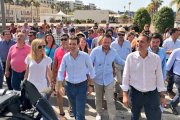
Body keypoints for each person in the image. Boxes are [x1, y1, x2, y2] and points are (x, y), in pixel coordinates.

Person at [121, 33, 166, 120]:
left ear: (148, 44)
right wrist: (125, 95)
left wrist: (162, 96)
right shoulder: (130, 57)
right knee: (135, 117)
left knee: (155, 117)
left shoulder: (156, 58)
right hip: (135, 94)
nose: (138, 44)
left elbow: (159, 78)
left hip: (152, 95)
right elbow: (125, 76)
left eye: (142, 42)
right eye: (138, 41)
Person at [57, 36, 95, 120]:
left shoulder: (85, 56)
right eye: (70, 44)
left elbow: (92, 70)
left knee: (80, 112)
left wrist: (91, 85)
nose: (72, 46)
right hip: (69, 86)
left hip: (81, 86)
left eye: (74, 44)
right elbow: (60, 72)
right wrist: (60, 86)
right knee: (74, 110)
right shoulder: (65, 57)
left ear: (78, 44)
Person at [90, 34, 125, 120]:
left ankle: (112, 117)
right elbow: (89, 64)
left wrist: (130, 62)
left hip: (109, 79)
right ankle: (99, 113)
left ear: (111, 42)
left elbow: (120, 61)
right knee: (98, 98)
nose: (106, 44)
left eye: (108, 42)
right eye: (105, 42)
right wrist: (89, 78)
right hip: (97, 79)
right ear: (102, 41)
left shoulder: (113, 52)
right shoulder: (95, 51)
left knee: (110, 100)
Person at [111, 27, 132, 101]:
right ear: (117, 33)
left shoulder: (128, 43)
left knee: (124, 80)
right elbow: (111, 55)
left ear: (124, 34)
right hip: (117, 65)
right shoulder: (113, 44)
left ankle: (119, 95)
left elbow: (130, 54)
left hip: (126, 65)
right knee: (119, 80)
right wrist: (112, 66)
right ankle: (115, 91)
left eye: (122, 34)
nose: (121, 35)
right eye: (119, 33)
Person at [52, 34, 71, 117]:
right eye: (62, 39)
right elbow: (55, 64)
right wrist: (53, 76)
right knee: (58, 94)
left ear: (68, 40)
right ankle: (61, 111)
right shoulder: (57, 50)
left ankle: (71, 109)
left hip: (70, 77)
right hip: (60, 77)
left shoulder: (72, 49)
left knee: (71, 94)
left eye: (65, 39)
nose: (63, 41)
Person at [162, 28, 180, 99]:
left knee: (173, 77)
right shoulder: (167, 41)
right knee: (170, 77)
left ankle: (170, 90)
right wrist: (171, 52)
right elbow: (162, 51)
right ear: (172, 33)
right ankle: (169, 91)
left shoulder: (179, 42)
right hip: (168, 60)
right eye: (177, 32)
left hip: (176, 62)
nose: (178, 34)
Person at [166, 48, 180, 115]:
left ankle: (173, 103)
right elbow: (169, 64)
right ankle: (173, 104)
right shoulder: (177, 51)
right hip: (178, 76)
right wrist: (166, 75)